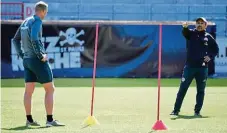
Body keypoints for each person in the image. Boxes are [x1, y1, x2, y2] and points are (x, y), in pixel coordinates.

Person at [12, 1, 65, 127]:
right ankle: (50, 120)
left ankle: (29, 120)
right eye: (45, 12)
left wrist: (21, 55)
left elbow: (15, 40)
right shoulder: (37, 21)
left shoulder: (25, 21)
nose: (45, 14)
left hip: (27, 60)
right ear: (42, 11)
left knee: (28, 91)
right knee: (50, 89)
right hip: (37, 60)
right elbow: (35, 38)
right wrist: (41, 55)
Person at [170, 17, 219, 116]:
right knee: (183, 89)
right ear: (195, 24)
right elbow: (185, 32)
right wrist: (184, 27)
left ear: (206, 25)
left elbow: (215, 49)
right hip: (190, 67)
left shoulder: (208, 37)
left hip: (203, 68)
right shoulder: (191, 34)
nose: (199, 24)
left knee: (200, 90)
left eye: (202, 23)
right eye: (198, 23)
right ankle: (176, 110)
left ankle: (197, 111)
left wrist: (210, 56)